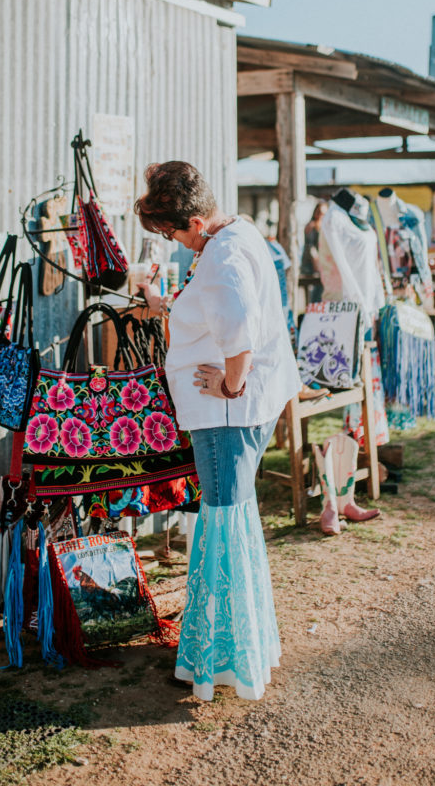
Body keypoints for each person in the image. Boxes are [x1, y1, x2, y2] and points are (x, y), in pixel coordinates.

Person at [135, 161, 301, 701]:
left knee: (224, 524)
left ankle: (222, 659)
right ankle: (235, 647)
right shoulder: (233, 235)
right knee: (232, 521)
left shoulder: (224, 254)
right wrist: (164, 308)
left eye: (174, 232)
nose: (175, 243)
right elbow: (213, 311)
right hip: (225, 414)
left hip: (225, 416)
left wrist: (231, 386)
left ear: (197, 220)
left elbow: (238, 333)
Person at [300, 201, 328, 302]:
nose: (321, 215)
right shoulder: (311, 226)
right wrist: (317, 264)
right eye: (319, 212)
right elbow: (311, 248)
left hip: (321, 264)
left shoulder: (323, 227)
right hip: (312, 265)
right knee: (314, 294)